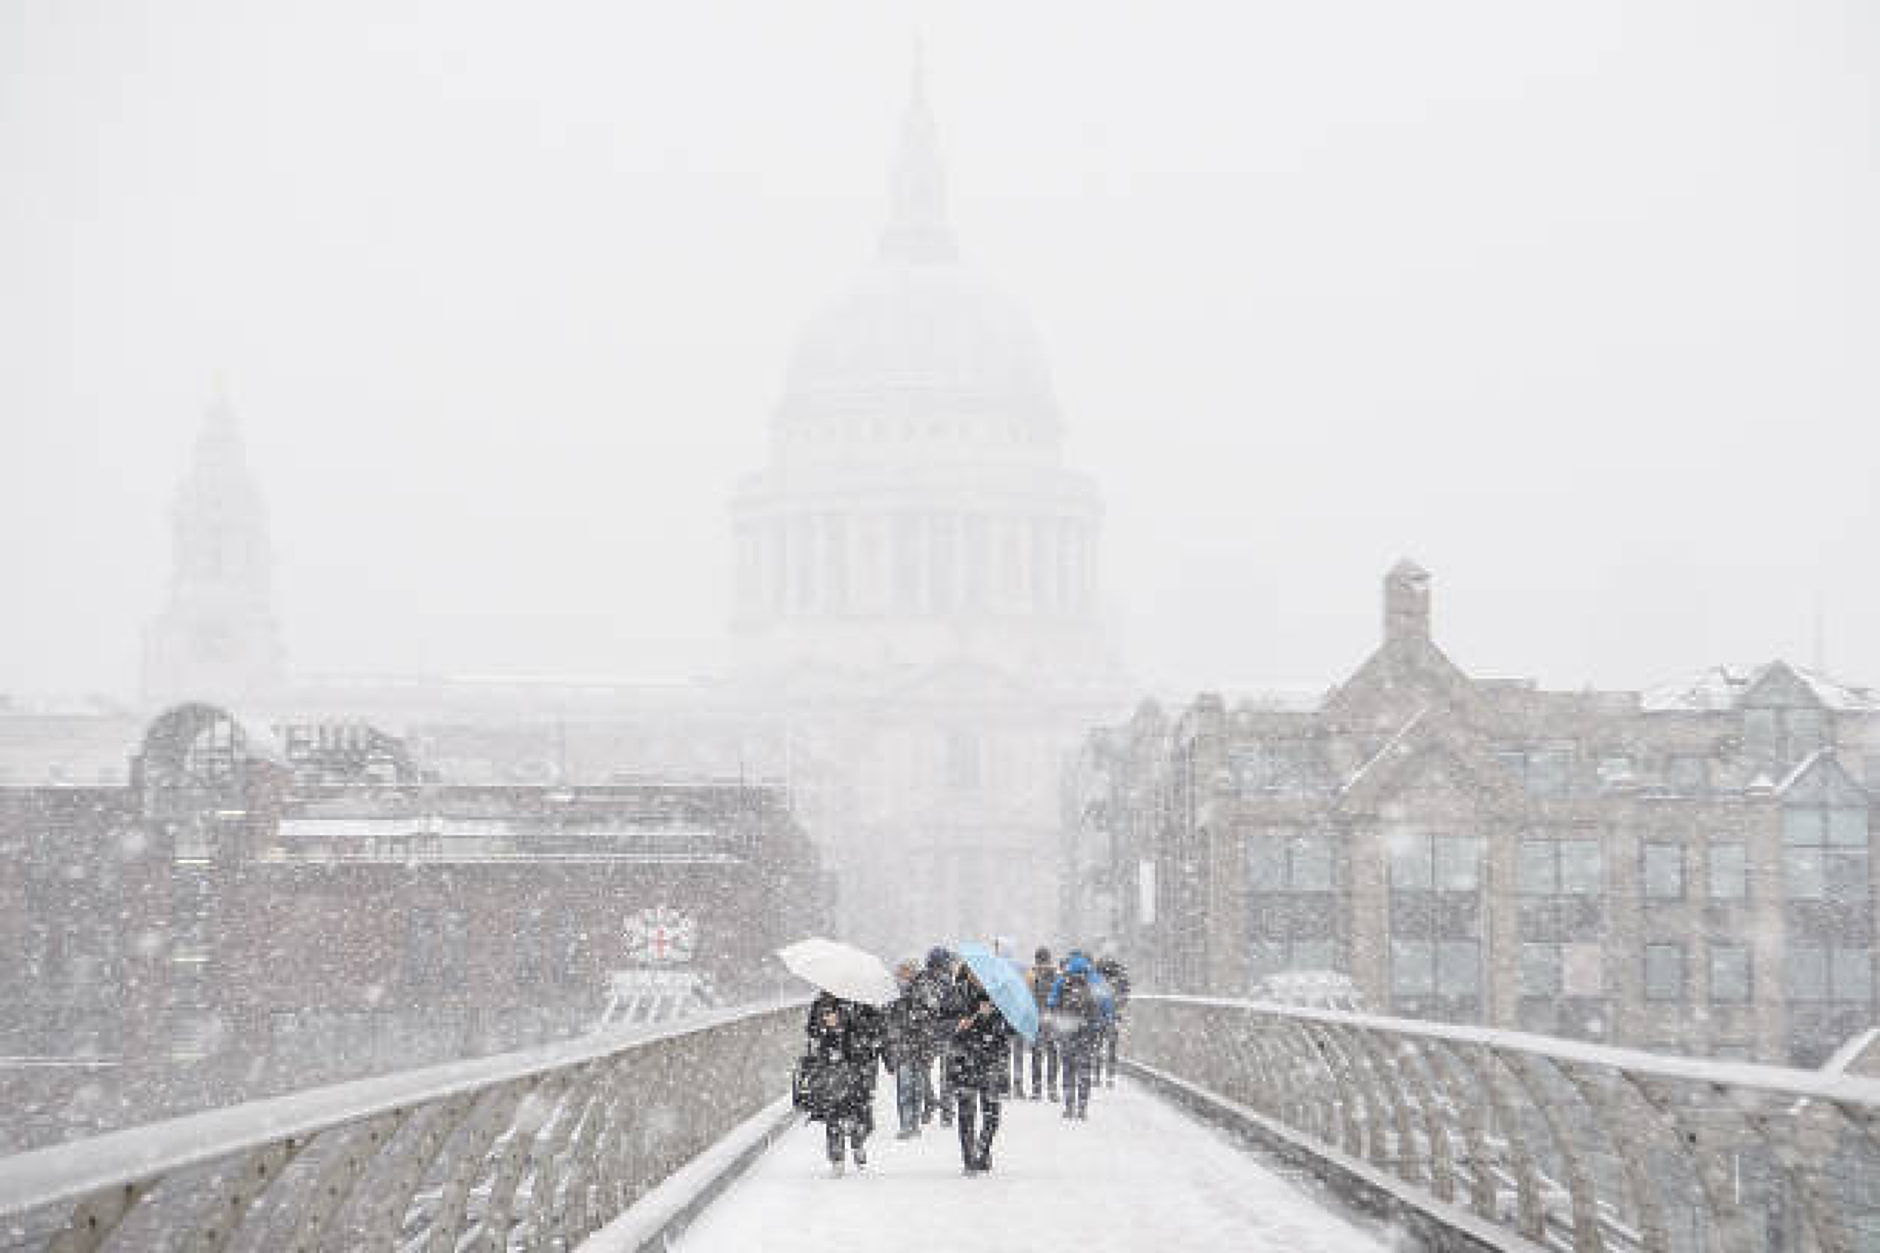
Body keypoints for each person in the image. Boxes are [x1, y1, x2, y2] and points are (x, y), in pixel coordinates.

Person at [802, 990, 883, 1176]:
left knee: (860, 1110)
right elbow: (811, 1031)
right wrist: (824, 1025)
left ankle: (858, 1142)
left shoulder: (863, 1000)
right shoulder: (822, 1003)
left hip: (859, 1064)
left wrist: (852, 1024)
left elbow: (877, 1029)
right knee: (833, 1110)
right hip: (831, 1063)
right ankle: (837, 1158)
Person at [945, 961, 1012, 1174]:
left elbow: (1011, 1029)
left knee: (992, 1113)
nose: (979, 977)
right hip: (963, 1060)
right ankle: (969, 1159)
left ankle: (983, 1149)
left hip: (992, 1060)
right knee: (966, 1112)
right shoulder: (957, 993)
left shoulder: (1000, 997)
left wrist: (993, 1019)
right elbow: (940, 1023)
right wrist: (958, 1026)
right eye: (975, 972)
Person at [1046, 951, 1109, 1120]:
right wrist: (1103, 1023)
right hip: (1088, 1028)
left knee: (1068, 1067)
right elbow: (1105, 1004)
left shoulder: (1063, 977)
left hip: (1067, 1027)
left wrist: (1056, 1023)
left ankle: (1069, 1106)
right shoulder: (1094, 978)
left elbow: (1051, 1002)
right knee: (1085, 1067)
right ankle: (1082, 1107)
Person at [911, 946, 955, 1125]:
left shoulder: (921, 980)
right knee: (944, 1074)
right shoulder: (945, 982)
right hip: (941, 1032)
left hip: (928, 1032)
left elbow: (915, 1004)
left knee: (925, 1071)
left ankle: (932, 1103)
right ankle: (944, 1109)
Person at [883, 959, 926, 1139]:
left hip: (918, 1046)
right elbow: (888, 1019)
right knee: (905, 1087)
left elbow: (927, 1017)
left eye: (906, 970)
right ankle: (906, 1124)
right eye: (901, 970)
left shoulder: (920, 991)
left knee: (917, 1087)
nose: (902, 973)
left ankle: (914, 1123)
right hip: (903, 1046)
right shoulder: (892, 994)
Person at [1025, 945, 1060, 1101]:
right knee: (1053, 1053)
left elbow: (1027, 997)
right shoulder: (1057, 975)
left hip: (1037, 1019)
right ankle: (1052, 1088)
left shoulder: (1031, 975)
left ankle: (1037, 1089)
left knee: (1037, 1055)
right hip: (1052, 1019)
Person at [1093, 951, 1131, 1087]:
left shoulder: (1097, 975)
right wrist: (1118, 1009)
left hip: (1098, 1016)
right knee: (1111, 1047)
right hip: (1113, 1016)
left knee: (1097, 1046)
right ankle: (1110, 1076)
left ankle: (1096, 1075)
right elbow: (1125, 995)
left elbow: (1092, 994)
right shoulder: (1119, 976)